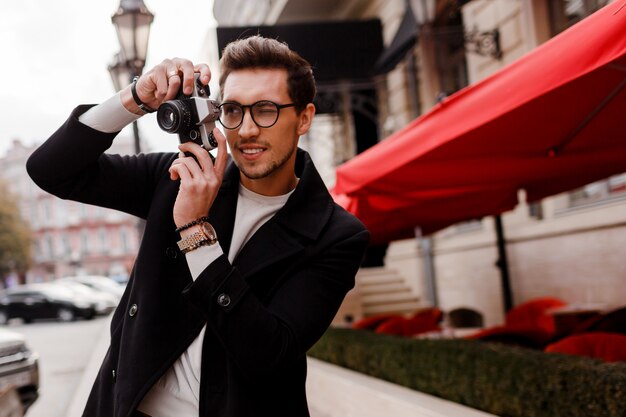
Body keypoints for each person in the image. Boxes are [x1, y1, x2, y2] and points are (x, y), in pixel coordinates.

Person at [26, 35, 369, 417]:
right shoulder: (177, 177)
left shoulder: (336, 235)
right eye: (234, 110)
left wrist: (195, 231)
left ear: (304, 117)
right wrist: (136, 99)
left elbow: (269, 356)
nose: (248, 129)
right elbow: (50, 170)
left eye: (266, 110)